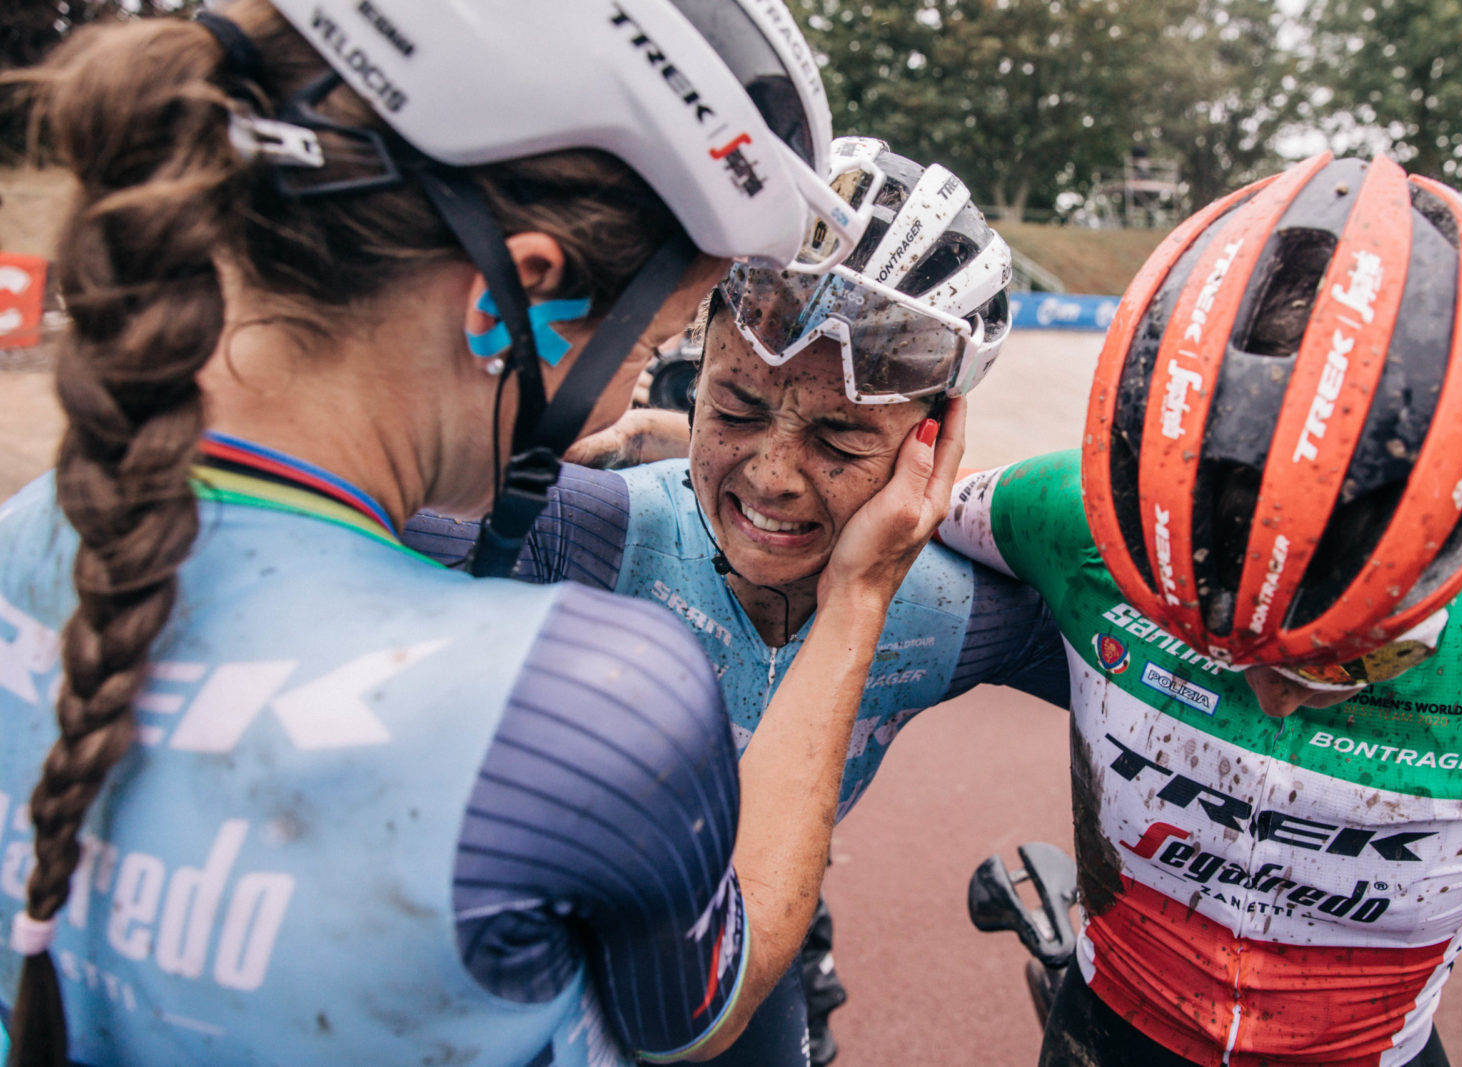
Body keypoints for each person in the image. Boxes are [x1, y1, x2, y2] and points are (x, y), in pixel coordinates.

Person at [0, 2, 967, 1064]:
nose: (618, 412)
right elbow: (709, 1008)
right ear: (518, 296)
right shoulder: (588, 697)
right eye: (645, 344)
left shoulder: (39, 527)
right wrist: (857, 598)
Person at [403, 137, 1076, 1065]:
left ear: (934, 441)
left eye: (840, 440)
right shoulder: (584, 530)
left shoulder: (957, 607)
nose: (773, 477)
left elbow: (1175, 685)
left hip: (744, 970)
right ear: (699, 364)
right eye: (735, 408)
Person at [936, 153, 1462, 1067]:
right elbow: (880, 503)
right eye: (1194, 615)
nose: (1272, 692)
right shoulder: (1078, 511)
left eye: (1345, 653)